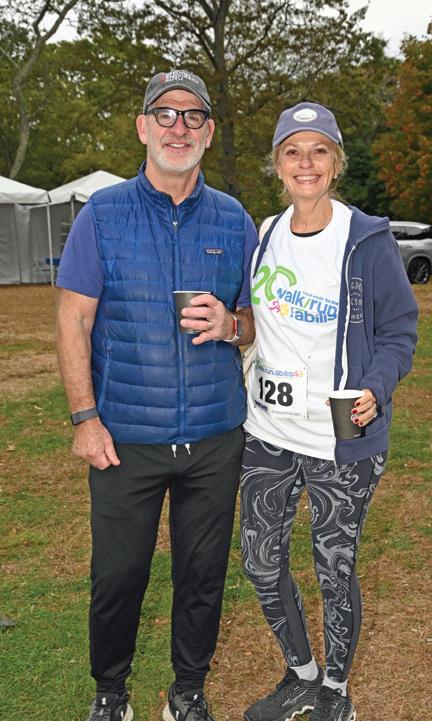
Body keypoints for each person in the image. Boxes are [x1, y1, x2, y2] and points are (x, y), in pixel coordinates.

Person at [55, 69, 257, 721]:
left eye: (193, 116)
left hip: (215, 437)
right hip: (125, 438)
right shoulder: (102, 214)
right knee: (118, 576)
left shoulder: (234, 219)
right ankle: (110, 692)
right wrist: (85, 418)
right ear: (143, 127)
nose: (179, 127)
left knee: (202, 575)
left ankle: (187, 691)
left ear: (209, 131)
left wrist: (231, 326)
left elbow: (257, 319)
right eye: (165, 114)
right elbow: (73, 320)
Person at [240, 102, 418, 721]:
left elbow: (399, 329)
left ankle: (336, 690)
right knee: (260, 562)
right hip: (268, 430)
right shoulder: (264, 234)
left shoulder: (365, 239)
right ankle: (300, 674)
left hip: (341, 435)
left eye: (319, 151)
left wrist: (376, 386)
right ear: (278, 164)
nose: (306, 163)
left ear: (336, 162)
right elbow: (252, 318)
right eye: (293, 151)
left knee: (333, 568)